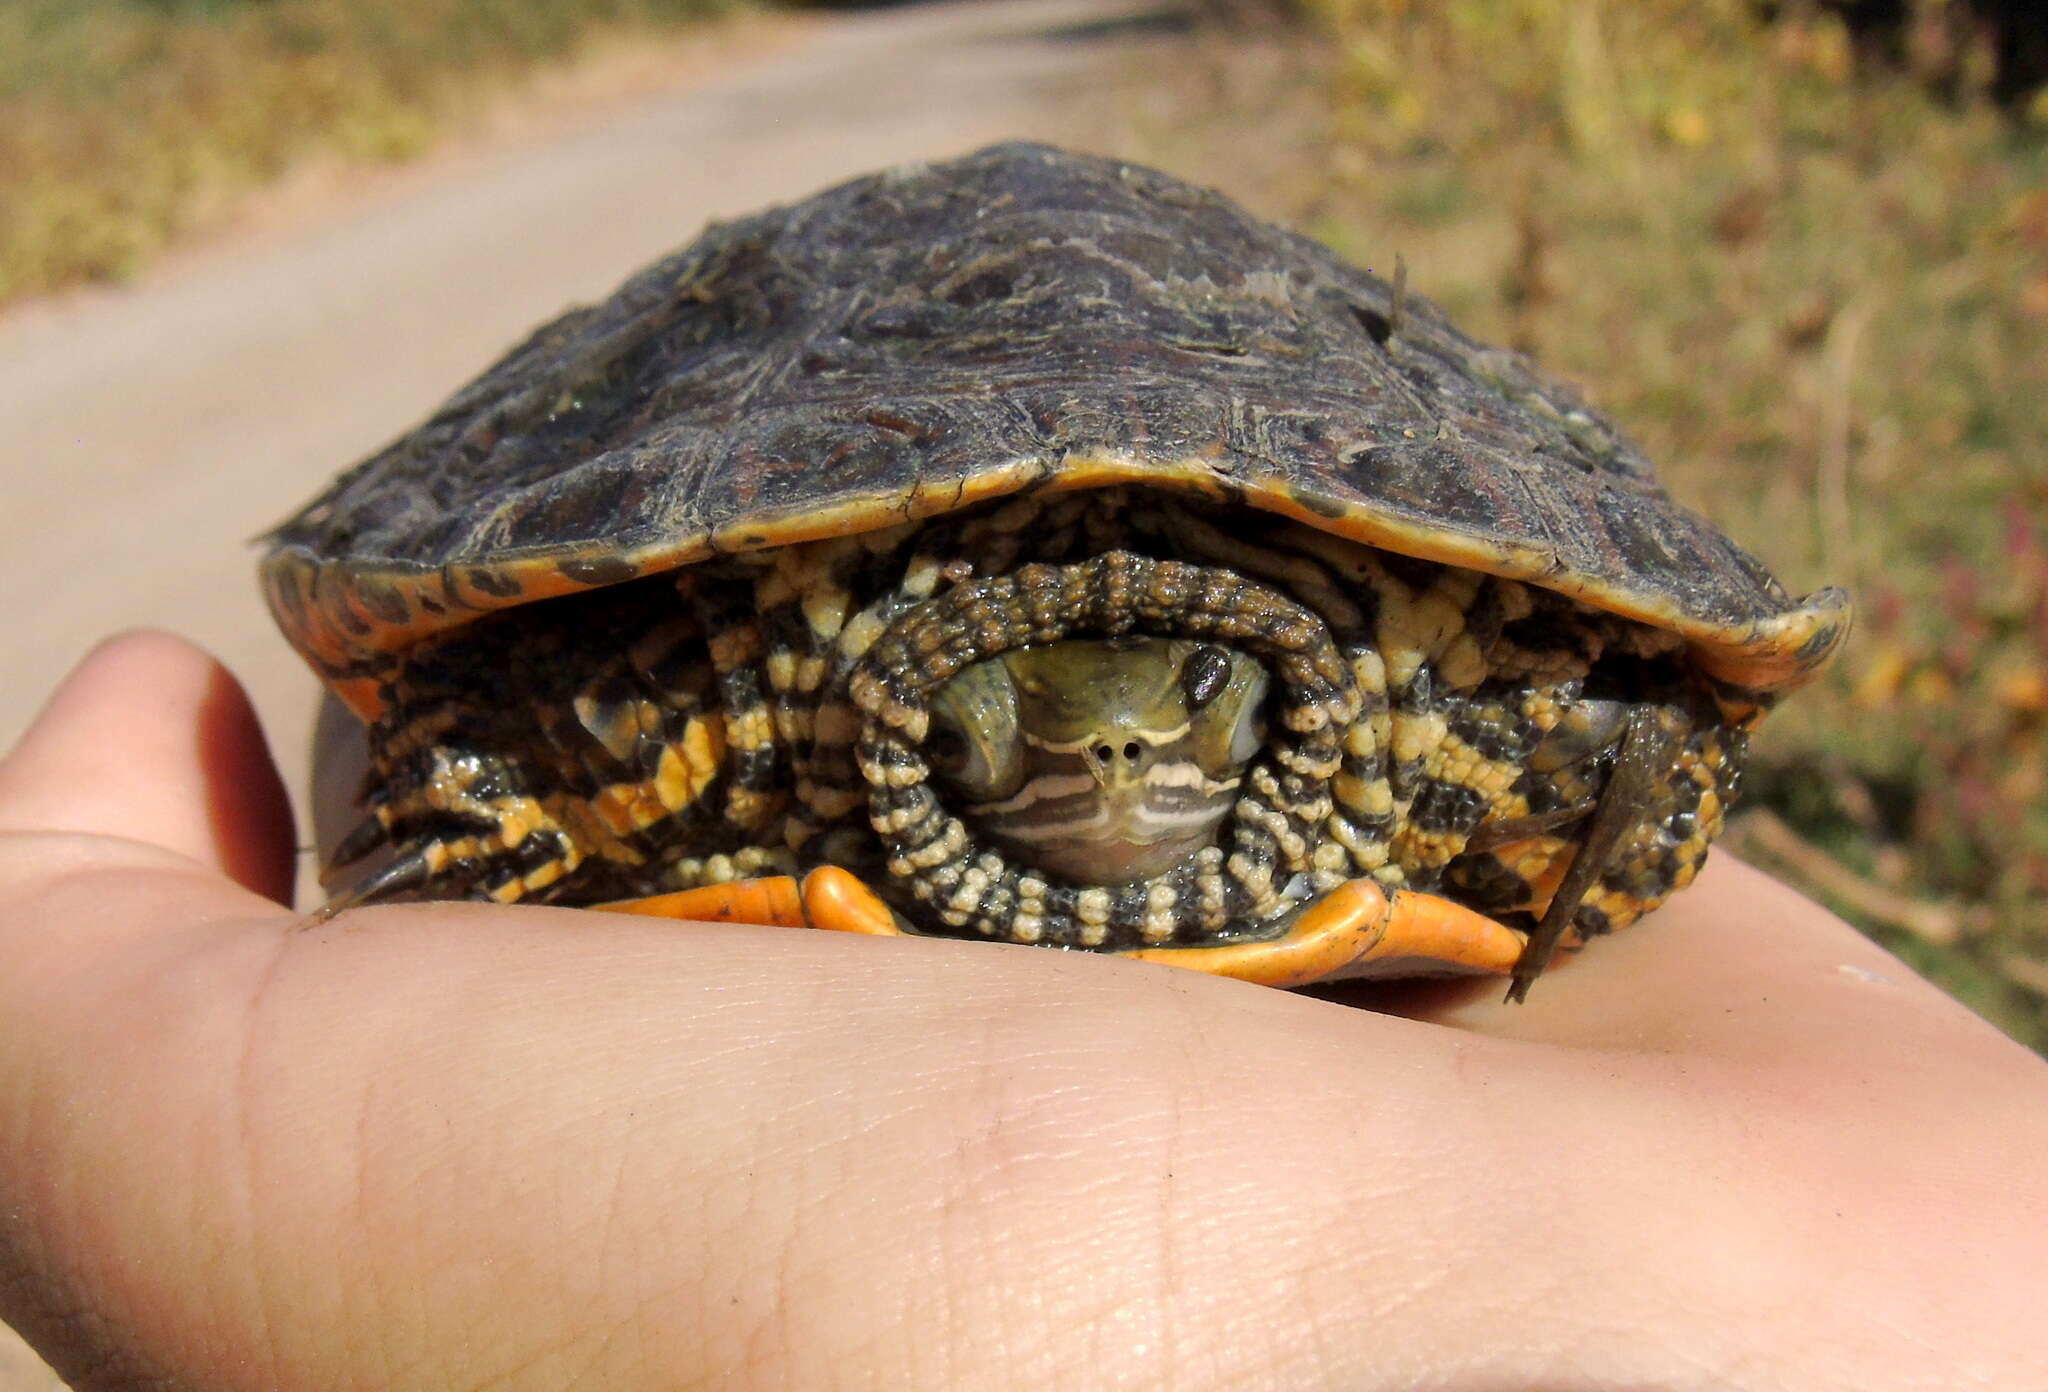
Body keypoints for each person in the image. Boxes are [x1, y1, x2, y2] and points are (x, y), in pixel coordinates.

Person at [1, 631, 2043, 1390]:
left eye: (1173, 740)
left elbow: (1629, 720)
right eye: (1069, 744)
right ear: (950, 718)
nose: (1128, 780)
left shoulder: (1359, 719)